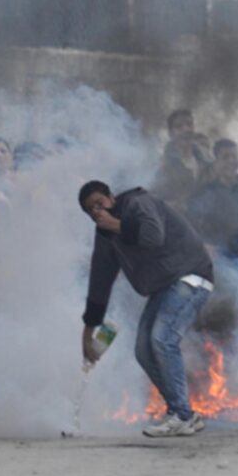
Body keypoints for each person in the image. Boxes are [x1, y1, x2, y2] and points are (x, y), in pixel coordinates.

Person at [79, 181, 214, 437]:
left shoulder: (137, 203)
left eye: (100, 203)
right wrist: (88, 331)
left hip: (190, 275)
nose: (98, 211)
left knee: (162, 339)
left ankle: (181, 415)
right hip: (164, 287)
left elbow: (153, 236)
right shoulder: (105, 236)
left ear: (111, 197)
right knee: (143, 350)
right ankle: (182, 411)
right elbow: (100, 281)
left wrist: (116, 225)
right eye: (91, 210)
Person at [187, 139, 238, 381]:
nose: (231, 161)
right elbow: (189, 223)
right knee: (213, 315)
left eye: (234, 156)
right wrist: (203, 244)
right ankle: (212, 372)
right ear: (217, 161)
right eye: (225, 157)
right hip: (215, 263)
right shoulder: (207, 192)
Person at [154, 109, 213, 213]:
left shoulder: (207, 163)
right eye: (179, 126)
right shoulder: (162, 166)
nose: (186, 129)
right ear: (171, 134)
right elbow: (154, 201)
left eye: (189, 124)